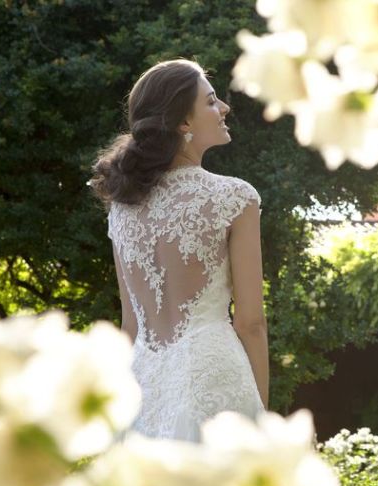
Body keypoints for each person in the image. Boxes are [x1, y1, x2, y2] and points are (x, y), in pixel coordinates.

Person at [88, 58, 268, 442]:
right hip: (214, 382)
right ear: (184, 123)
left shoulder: (123, 207)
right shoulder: (235, 197)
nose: (224, 108)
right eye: (211, 101)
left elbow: (130, 326)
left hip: (141, 389)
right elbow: (250, 323)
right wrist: (263, 421)